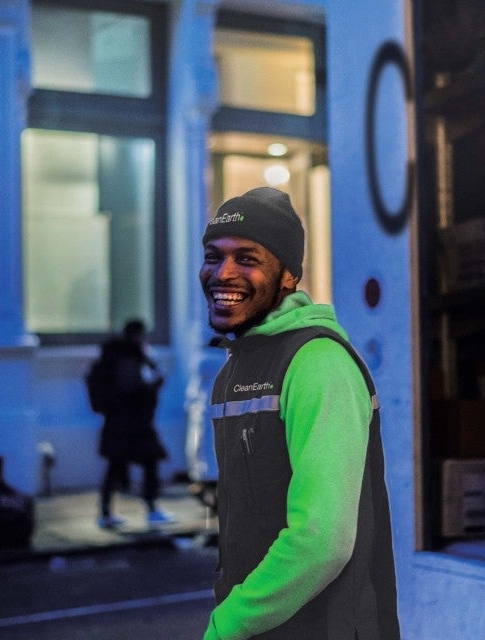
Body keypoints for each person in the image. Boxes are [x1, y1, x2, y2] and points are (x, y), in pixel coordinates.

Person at [199, 187, 400, 639]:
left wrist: (228, 622)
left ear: (289, 275)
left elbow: (321, 541)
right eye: (214, 256)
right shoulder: (236, 368)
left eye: (247, 259)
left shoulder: (317, 363)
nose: (223, 273)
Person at [86, 319, 175, 528]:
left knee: (117, 467)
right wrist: (153, 387)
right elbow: (131, 391)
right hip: (130, 424)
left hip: (119, 424)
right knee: (145, 462)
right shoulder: (127, 358)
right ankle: (150, 509)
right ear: (136, 335)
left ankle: (107, 513)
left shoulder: (118, 357)